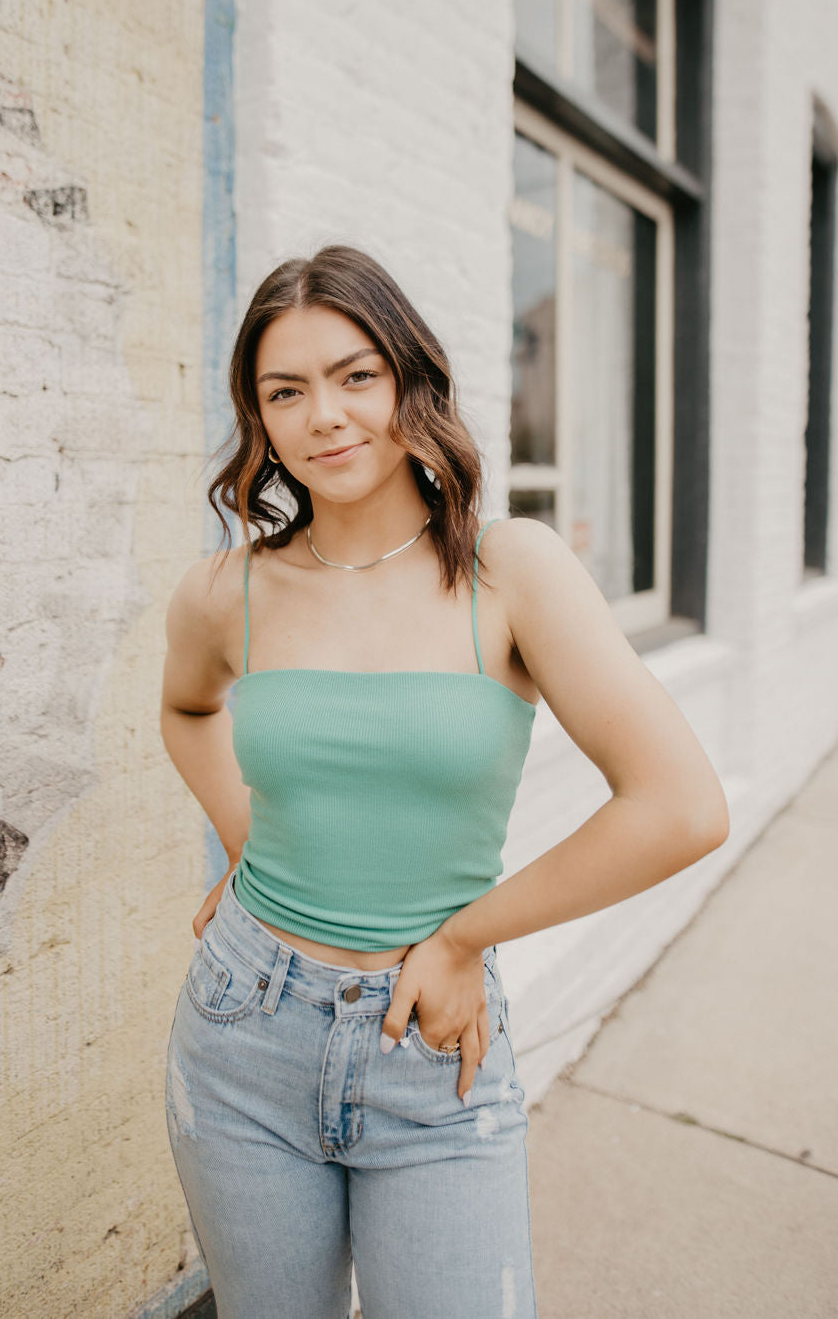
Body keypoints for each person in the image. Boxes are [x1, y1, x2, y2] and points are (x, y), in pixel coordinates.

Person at [160, 244, 729, 1319]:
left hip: (431, 1050)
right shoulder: (223, 593)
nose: (323, 414)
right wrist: (247, 842)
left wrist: (463, 939)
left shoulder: (508, 570)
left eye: (354, 375)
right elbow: (185, 713)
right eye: (286, 391)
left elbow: (681, 807)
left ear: (409, 380)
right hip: (240, 1028)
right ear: (260, 417)